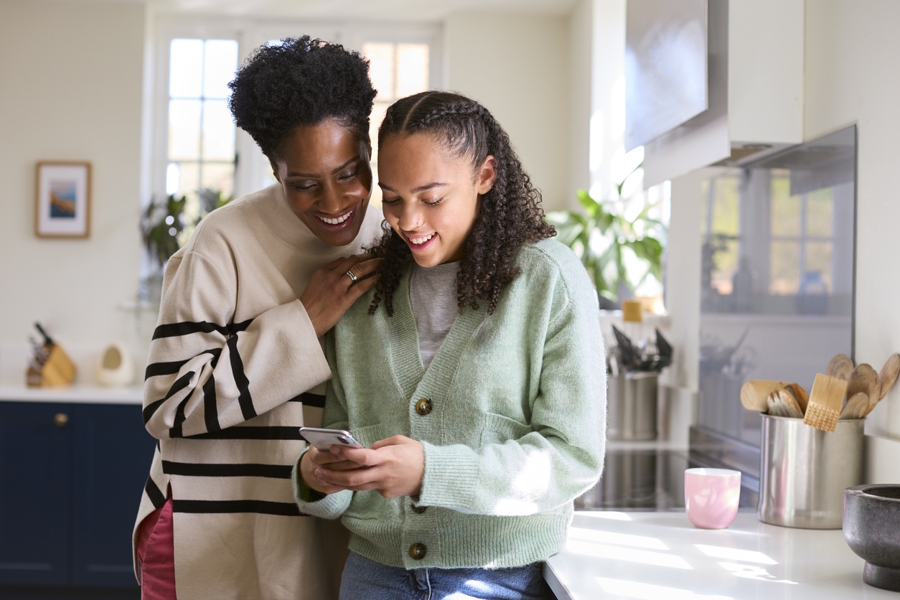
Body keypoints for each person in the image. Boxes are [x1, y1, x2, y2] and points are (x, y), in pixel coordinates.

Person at [294, 91, 607, 600]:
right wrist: (317, 479)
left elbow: (572, 456)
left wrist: (431, 471)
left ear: (484, 176)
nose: (408, 221)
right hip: (374, 578)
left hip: (499, 578)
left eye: (431, 198)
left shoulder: (549, 281)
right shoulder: (364, 297)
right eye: (392, 198)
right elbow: (338, 441)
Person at [132, 37, 384, 600]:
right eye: (304, 184)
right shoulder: (221, 243)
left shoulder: (391, 236)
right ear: (275, 169)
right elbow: (167, 405)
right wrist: (302, 322)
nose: (335, 201)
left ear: (368, 150)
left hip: (326, 539)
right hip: (212, 537)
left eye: (350, 172)